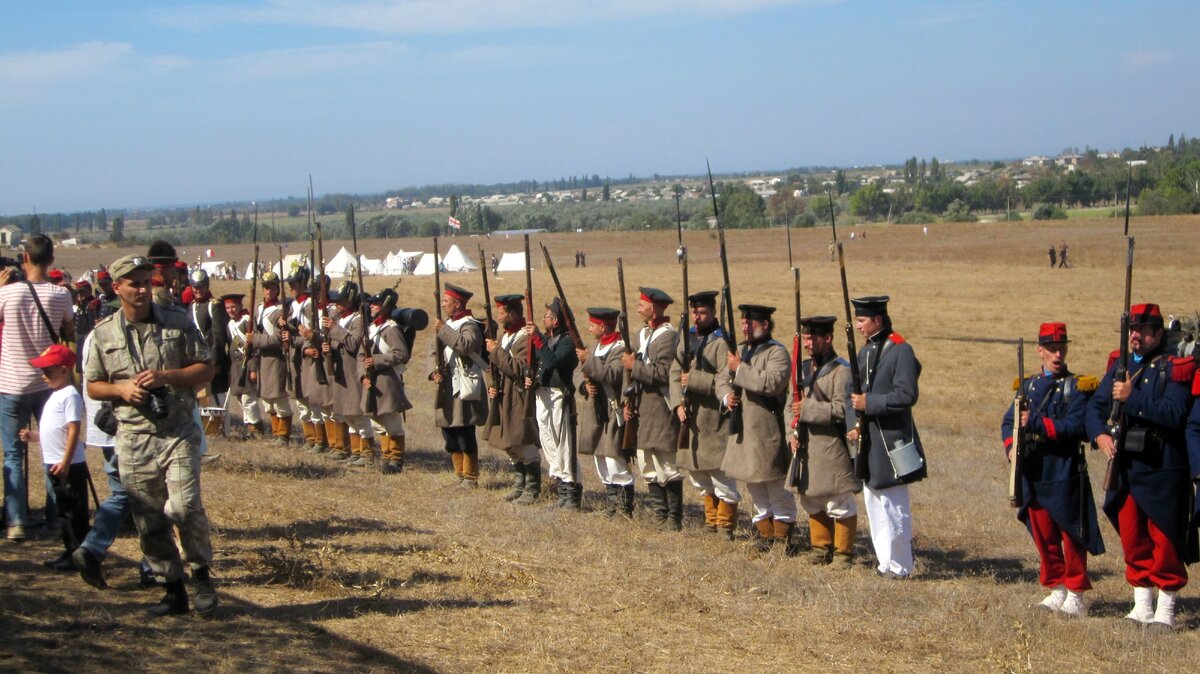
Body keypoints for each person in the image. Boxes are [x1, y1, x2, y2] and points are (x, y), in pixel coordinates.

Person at [84, 254, 217, 616]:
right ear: (117, 288)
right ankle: (172, 590)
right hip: (133, 436)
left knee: (183, 506)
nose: (142, 289)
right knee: (149, 518)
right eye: (134, 283)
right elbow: (94, 385)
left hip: (177, 431)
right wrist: (122, 390)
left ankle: (201, 575)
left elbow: (206, 367)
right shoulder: (103, 333)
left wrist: (166, 377)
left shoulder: (178, 321)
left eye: (146, 282)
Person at [1085, 303, 1195, 628]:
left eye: (1143, 330)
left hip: (1163, 466)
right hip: (1127, 465)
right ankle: (1142, 605)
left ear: (1158, 334)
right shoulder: (1122, 366)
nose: (1136, 336)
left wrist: (1132, 399)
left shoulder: (1175, 368)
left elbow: (1175, 414)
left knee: (1165, 540)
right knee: (1133, 537)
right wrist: (1100, 435)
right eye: (1132, 330)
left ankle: (1166, 609)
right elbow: (1096, 406)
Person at [1001, 322, 1103, 617]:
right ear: (1039, 351)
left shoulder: (1077, 386)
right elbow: (1008, 422)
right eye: (1052, 349)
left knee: (1072, 535)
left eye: (1062, 348)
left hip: (1064, 470)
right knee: (1043, 533)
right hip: (1034, 470)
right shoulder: (1027, 385)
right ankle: (1056, 587)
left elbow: (1077, 427)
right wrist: (1010, 446)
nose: (1058, 354)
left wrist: (1036, 424)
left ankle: (1076, 593)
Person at [845, 295, 927, 579]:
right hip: (869, 440)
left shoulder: (900, 350)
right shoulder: (867, 350)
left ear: (877, 320)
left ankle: (901, 566)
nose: (858, 325)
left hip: (893, 442)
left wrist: (870, 404)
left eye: (862, 320)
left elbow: (906, 395)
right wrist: (855, 422)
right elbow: (852, 393)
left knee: (894, 507)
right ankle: (885, 563)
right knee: (874, 503)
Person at [0, 234, 74, 542]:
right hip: (47, 382)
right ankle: (54, 516)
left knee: (12, 454)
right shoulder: (61, 295)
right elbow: (68, 331)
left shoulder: (8, 294)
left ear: (24, 258)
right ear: (51, 261)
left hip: (11, 382)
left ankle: (16, 520)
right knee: (51, 449)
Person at [717, 304, 795, 552]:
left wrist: (740, 368)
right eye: (743, 322)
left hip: (766, 431)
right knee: (755, 487)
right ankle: (766, 535)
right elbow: (721, 379)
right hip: (742, 430)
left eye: (750, 323)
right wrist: (726, 396)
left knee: (776, 487)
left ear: (765, 324)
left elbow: (771, 383)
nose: (745, 327)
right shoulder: (738, 350)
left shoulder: (777, 353)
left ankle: (782, 538)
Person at [788, 315, 859, 565]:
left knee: (839, 502)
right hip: (806, 447)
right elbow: (791, 406)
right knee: (811, 500)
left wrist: (808, 409)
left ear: (827, 339)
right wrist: (791, 432)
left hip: (831, 448)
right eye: (805, 338)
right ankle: (821, 549)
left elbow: (843, 410)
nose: (807, 343)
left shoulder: (842, 371)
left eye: (812, 338)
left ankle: (843, 554)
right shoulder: (803, 369)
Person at [670, 290, 739, 538]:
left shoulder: (723, 341)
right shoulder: (687, 337)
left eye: (702, 312)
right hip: (689, 417)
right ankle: (712, 520)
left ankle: (726, 525)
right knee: (698, 475)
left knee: (720, 476)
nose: (697, 317)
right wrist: (677, 403)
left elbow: (725, 378)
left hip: (713, 419)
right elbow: (674, 371)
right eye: (694, 312)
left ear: (712, 312)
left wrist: (695, 380)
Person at [20, 344, 88, 571]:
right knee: (63, 511)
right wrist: (35, 436)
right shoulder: (57, 394)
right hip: (56, 463)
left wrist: (66, 462)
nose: (44, 376)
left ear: (64, 370)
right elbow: (55, 430)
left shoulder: (70, 395)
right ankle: (70, 551)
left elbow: (73, 430)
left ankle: (80, 555)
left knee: (74, 513)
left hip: (68, 465)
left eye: (48, 371)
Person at [621, 287, 683, 530]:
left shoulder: (667, 336)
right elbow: (631, 372)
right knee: (647, 463)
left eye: (642, 304)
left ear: (654, 308)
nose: (638, 308)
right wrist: (628, 401)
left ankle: (673, 518)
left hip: (660, 407)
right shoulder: (643, 334)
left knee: (666, 464)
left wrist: (634, 366)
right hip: (643, 408)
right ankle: (660, 515)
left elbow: (663, 374)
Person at [483, 294, 541, 504]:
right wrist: (491, 384)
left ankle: (532, 489)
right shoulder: (506, 336)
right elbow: (492, 367)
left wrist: (496, 351)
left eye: (502, 313)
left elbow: (518, 368)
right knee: (509, 444)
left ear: (512, 314)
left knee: (522, 442)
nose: (499, 317)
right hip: (502, 395)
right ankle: (520, 484)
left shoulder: (524, 338)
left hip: (517, 396)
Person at [429, 283, 488, 486]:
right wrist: (434, 371)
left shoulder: (470, 325)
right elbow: (433, 351)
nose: (444, 305)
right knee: (449, 431)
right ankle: (460, 474)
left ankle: (470, 476)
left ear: (457, 303)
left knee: (464, 431)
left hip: (464, 384)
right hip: (447, 385)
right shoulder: (446, 324)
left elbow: (465, 345)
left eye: (447, 301)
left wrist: (443, 330)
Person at [577, 307, 632, 517]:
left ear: (603, 326)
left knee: (614, 461)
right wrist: (584, 387)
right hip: (596, 411)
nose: (589, 328)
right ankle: (612, 506)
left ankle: (624, 509)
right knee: (602, 461)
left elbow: (611, 375)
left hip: (612, 411)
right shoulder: (595, 347)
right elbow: (580, 374)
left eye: (593, 324)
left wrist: (588, 360)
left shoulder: (620, 349)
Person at [531, 298, 580, 508]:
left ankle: (571, 492)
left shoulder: (568, 342)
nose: (545, 319)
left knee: (564, 446)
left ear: (557, 320)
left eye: (548, 316)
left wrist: (538, 338)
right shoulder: (548, 340)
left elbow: (552, 361)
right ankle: (561, 488)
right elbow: (540, 364)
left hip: (559, 396)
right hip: (543, 395)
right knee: (549, 443)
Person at [360, 288, 413, 474]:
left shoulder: (391, 328)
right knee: (378, 422)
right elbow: (361, 355)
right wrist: (363, 376)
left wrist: (376, 360)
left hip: (387, 380)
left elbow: (401, 354)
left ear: (385, 306)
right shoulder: (371, 327)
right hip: (372, 380)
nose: (372, 306)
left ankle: (396, 459)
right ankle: (386, 456)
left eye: (376, 303)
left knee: (392, 423)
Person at [324, 280, 371, 464]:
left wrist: (335, 329)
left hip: (352, 370)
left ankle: (366, 453)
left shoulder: (358, 320)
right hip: (341, 370)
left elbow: (353, 344)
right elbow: (338, 343)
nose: (337, 304)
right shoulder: (341, 319)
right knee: (347, 415)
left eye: (341, 300)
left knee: (358, 415)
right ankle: (356, 452)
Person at [253, 271, 294, 446]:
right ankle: (276, 431)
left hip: (276, 358)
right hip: (262, 359)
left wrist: (255, 340)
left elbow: (279, 337)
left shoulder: (281, 310)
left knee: (279, 398)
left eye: (271, 287)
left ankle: (283, 435)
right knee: (267, 400)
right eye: (265, 287)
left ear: (278, 289)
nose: (268, 290)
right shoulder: (259, 309)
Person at [223, 294, 264, 439]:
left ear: (240, 306)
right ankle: (249, 426)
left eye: (233, 306)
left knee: (249, 400)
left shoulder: (247, 321)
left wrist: (253, 369)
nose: (231, 310)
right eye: (228, 308)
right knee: (241, 399)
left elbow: (254, 349)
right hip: (236, 367)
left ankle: (256, 428)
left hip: (247, 365)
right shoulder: (230, 324)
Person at [187, 270, 229, 407]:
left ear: (207, 286)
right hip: (197, 361)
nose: (198, 290)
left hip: (212, 360)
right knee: (201, 401)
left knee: (216, 402)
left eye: (201, 287)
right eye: (195, 287)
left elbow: (219, 337)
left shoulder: (214, 304)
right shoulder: (192, 306)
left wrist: (215, 363)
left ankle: (218, 428)